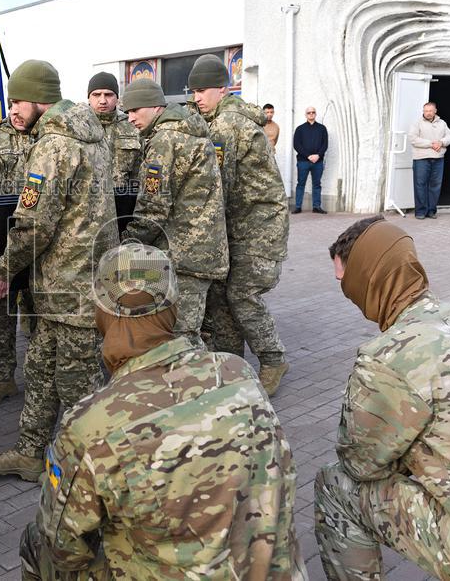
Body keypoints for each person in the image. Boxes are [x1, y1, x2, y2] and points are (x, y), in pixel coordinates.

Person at [20, 243, 305, 580]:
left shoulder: (89, 425)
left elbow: (64, 549)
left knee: (36, 542)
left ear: (102, 313)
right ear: (172, 307)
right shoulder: (237, 372)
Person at [316, 216, 450, 580]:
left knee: (335, 485)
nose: (346, 292)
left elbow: (361, 464)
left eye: (346, 280)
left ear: (368, 276)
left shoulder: (387, 357)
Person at [0, 59, 119, 481]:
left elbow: (34, 222)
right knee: (39, 371)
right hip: (71, 286)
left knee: (80, 389)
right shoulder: (94, 136)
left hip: (71, 290)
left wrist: (3, 270)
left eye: (17, 101)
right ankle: (29, 453)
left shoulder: (55, 144)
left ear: (39, 99)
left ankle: (97, 476)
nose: (12, 110)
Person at [188, 54, 291, 396]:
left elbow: (218, 184)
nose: (197, 97)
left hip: (258, 229)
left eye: (203, 90)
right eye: (193, 91)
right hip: (240, 227)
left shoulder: (226, 125)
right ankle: (231, 364)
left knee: (242, 294)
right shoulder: (223, 120)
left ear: (223, 89)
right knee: (221, 296)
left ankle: (273, 358)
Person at [120, 78, 228, 338]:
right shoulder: (190, 131)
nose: (131, 118)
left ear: (156, 107)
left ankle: (200, 378)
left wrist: (126, 242)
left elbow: (153, 207)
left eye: (136, 110)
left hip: (183, 254)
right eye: (127, 112)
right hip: (201, 251)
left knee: (182, 336)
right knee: (190, 331)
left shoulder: (165, 140)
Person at [0, 115, 37, 407]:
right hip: (6, 237)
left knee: (41, 310)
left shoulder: (49, 137)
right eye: (10, 103)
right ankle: (3, 378)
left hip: (41, 238)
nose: (14, 110)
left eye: (20, 103)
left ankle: (42, 378)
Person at [87, 72, 141, 190]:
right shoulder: (78, 125)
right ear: (88, 97)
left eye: (108, 94)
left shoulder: (132, 125)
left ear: (117, 97)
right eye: (96, 94)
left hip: (123, 200)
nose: (102, 100)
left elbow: (140, 169)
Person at [408, 101, 450, 219]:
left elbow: (449, 136)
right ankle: (420, 212)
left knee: (435, 185)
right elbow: (413, 138)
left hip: (438, 159)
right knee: (420, 184)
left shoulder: (442, 123)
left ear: (435, 111)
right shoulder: (417, 123)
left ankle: (431, 211)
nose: (427, 113)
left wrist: (441, 142)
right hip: (421, 158)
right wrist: (431, 144)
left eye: (430, 111)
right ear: (423, 111)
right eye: (425, 111)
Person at [292, 106, 329, 214]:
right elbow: (296, 145)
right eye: (309, 112)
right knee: (300, 184)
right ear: (306, 115)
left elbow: (325, 144)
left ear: (315, 114)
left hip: (318, 162)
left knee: (317, 184)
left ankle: (316, 206)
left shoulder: (322, 129)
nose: (311, 114)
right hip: (303, 161)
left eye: (313, 112)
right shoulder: (300, 129)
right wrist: (308, 156)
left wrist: (318, 155)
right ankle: (298, 206)